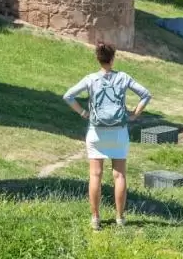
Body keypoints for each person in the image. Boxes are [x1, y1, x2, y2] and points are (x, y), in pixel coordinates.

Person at [63, 42, 152, 231]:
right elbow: (145, 94)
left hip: (96, 132)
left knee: (95, 175)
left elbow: (68, 96)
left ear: (98, 58)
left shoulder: (90, 79)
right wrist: (135, 114)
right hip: (119, 132)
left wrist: (83, 113)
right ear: (112, 58)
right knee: (119, 175)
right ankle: (120, 218)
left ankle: (95, 219)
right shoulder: (123, 78)